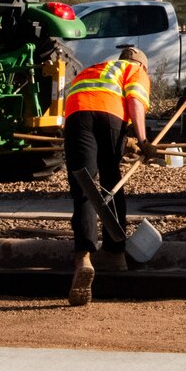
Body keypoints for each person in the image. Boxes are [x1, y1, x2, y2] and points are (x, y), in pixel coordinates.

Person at [62, 44, 150, 306]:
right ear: (143, 65)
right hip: (110, 115)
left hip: (76, 115)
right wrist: (143, 140)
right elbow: (134, 100)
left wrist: (128, 142)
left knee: (85, 187)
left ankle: (83, 258)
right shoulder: (136, 70)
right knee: (111, 180)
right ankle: (114, 252)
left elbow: (89, 102)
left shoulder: (95, 70)